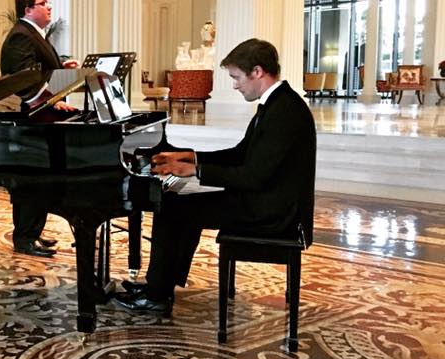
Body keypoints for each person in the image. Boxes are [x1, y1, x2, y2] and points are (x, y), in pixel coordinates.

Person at [115, 38, 316, 314]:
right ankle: (161, 286)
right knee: (179, 202)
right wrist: (191, 157)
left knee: (172, 205)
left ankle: (157, 293)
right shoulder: (278, 103)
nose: (234, 85)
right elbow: (240, 153)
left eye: (236, 77)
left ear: (257, 72)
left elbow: (253, 177)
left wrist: (195, 171)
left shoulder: (284, 112)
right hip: (266, 201)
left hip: (272, 212)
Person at [0, 0, 78, 257]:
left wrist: (61, 69)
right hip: (31, 122)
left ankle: (32, 232)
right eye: (44, 3)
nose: (49, 7)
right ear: (28, 10)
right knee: (32, 181)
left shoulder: (32, 33)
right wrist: (51, 101)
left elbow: (38, 71)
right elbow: (23, 79)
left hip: (40, 119)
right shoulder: (20, 35)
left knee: (38, 181)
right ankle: (25, 237)